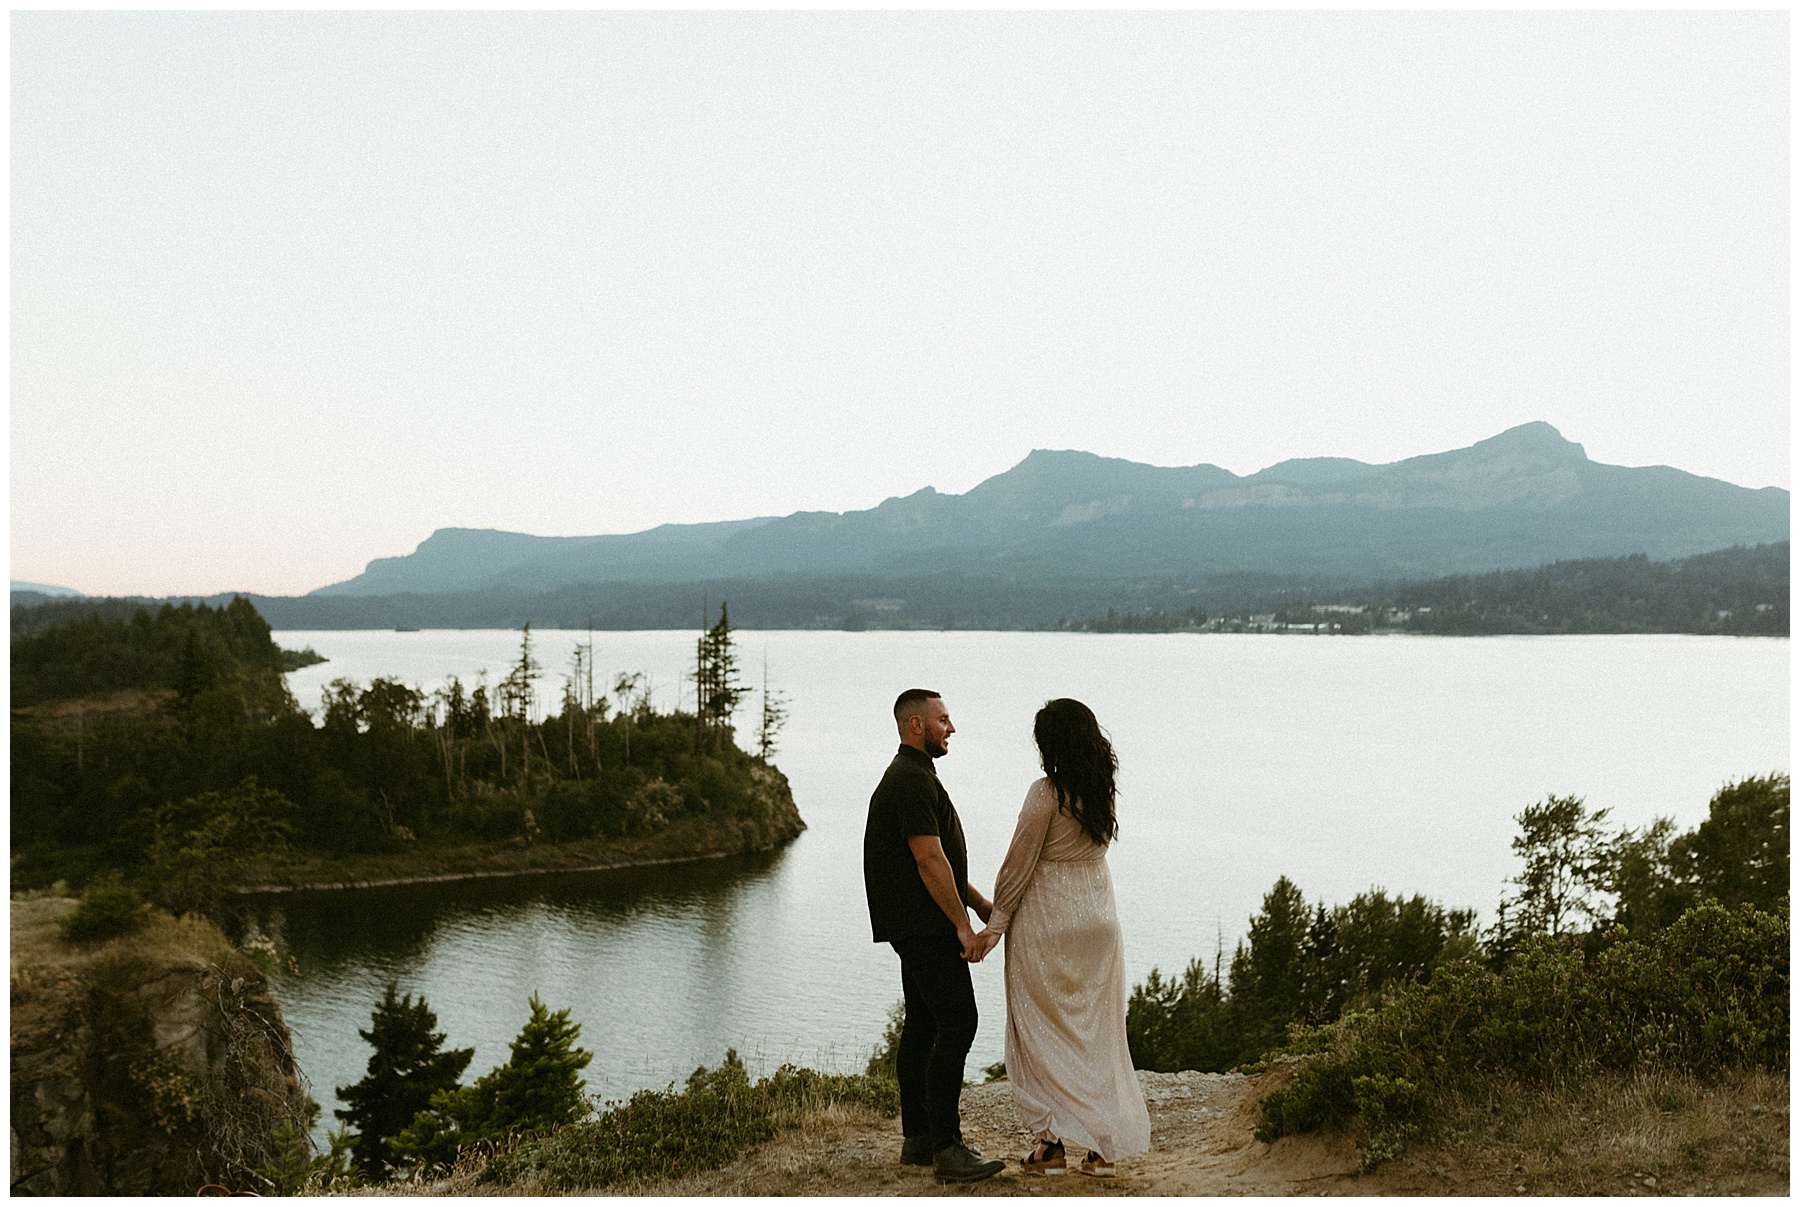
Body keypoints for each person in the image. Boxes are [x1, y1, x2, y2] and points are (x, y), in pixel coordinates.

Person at [970, 697, 1151, 1177]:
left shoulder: (1045, 794)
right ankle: (1103, 1150)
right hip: (1098, 919)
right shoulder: (1101, 790)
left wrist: (995, 925)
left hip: (1048, 921)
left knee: (1038, 1030)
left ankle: (1050, 1146)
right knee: (1096, 1034)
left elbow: (1020, 862)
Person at [862, 688, 1006, 1185]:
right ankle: (947, 1147)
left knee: (923, 1025)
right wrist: (963, 926)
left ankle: (918, 1139)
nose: (952, 728)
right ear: (917, 725)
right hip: (925, 927)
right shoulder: (910, 780)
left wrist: (980, 903)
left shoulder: (914, 776)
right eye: (944, 720)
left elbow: (936, 857)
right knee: (958, 1023)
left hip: (917, 924)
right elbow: (928, 860)